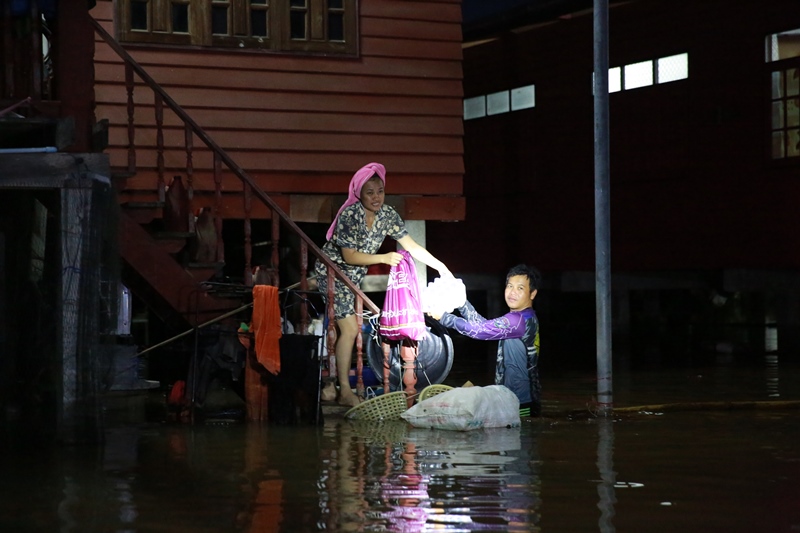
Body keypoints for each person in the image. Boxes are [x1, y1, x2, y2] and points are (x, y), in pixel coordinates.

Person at [315, 162, 452, 407]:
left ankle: (332, 384)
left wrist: (440, 266)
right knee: (350, 329)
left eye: (380, 191)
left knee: (347, 329)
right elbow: (349, 256)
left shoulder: (388, 215)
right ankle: (344, 389)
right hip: (333, 272)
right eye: (370, 192)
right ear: (359, 193)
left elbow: (412, 246)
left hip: (354, 276)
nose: (376, 197)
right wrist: (383, 258)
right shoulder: (350, 215)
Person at [428, 264, 542, 417]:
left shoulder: (516, 321)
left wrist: (443, 317)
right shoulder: (526, 317)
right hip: (521, 399)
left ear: (532, 294)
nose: (512, 292)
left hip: (519, 404)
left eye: (520, 288)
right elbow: (483, 325)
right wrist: (462, 304)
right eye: (510, 286)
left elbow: (479, 331)